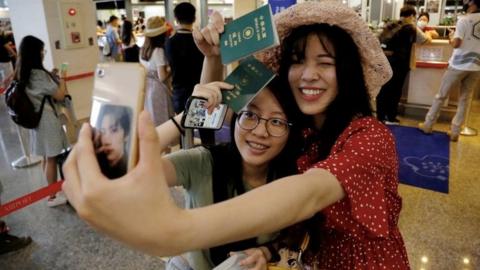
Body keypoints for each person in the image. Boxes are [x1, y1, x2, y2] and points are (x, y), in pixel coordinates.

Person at [62, 1, 410, 269]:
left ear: (346, 69)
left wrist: (175, 230)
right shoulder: (305, 136)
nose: (308, 75)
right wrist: (211, 63)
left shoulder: (370, 138)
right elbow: (214, 110)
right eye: (297, 60)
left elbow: (308, 194)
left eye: (325, 62)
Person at [157, 77, 301, 269]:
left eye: (276, 121)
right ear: (235, 118)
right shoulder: (203, 162)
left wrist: (265, 252)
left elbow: (292, 234)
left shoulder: (290, 179)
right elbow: (127, 167)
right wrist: (188, 114)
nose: (260, 131)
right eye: (250, 115)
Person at [17, 35, 68, 207]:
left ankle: (49, 191)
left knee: (46, 158)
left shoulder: (23, 71)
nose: (43, 53)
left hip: (36, 119)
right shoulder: (38, 74)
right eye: (41, 50)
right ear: (34, 53)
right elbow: (59, 95)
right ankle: (52, 196)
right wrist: (63, 79)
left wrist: (50, 77)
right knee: (52, 158)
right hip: (47, 119)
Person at [419, 0, 480, 141]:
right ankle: (455, 132)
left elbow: (457, 44)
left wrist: (451, 38)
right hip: (476, 66)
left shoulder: (464, 20)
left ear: (472, 3)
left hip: (458, 64)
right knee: (465, 99)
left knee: (441, 95)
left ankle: (428, 125)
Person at [165, 2, 214, 145]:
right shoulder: (201, 41)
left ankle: (186, 160)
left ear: (176, 18)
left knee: (185, 134)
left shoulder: (170, 42)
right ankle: (210, 159)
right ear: (194, 18)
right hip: (202, 90)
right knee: (206, 132)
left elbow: (171, 68)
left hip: (179, 92)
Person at [376, 5, 432, 125]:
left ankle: (380, 117)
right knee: (395, 90)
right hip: (400, 63)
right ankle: (391, 117)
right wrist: (430, 33)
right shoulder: (411, 28)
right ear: (412, 16)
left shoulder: (390, 24)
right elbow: (426, 40)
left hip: (386, 60)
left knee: (384, 89)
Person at [140, 16, 174, 128]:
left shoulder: (143, 49)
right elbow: (162, 76)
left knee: (152, 119)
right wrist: (171, 69)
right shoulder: (158, 51)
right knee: (162, 119)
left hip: (147, 87)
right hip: (158, 89)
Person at [93, 104, 132, 179]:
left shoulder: (133, 167)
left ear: (126, 134)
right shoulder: (98, 168)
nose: (106, 141)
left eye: (114, 130)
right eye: (102, 132)